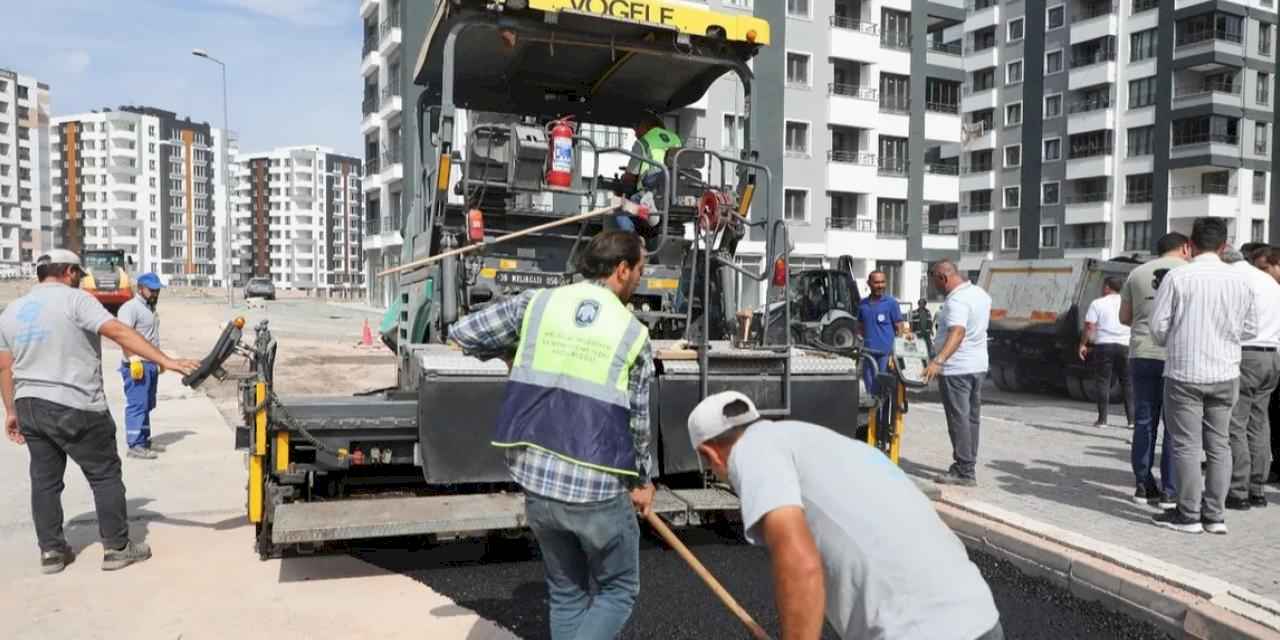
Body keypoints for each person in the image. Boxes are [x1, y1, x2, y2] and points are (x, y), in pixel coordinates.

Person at [450, 231, 654, 640]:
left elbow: (463, 332)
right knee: (618, 591)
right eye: (639, 272)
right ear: (622, 269)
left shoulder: (538, 304)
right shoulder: (632, 334)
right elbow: (638, 423)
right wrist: (644, 482)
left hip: (539, 481)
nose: (639, 281)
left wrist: (511, 352)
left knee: (566, 593)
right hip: (597, 486)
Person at [687, 391, 1003, 640]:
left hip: (915, 629)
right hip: (980, 614)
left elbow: (800, 564)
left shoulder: (752, 451)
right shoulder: (823, 441)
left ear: (709, 454)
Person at [0, 250, 199, 574]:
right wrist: (165, 361)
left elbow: (5, 366)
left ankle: (51, 552)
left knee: (44, 481)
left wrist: (10, 410)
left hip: (30, 405)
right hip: (75, 403)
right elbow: (118, 332)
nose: (80, 277)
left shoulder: (13, 311)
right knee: (104, 474)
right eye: (77, 272)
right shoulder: (76, 300)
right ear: (67, 272)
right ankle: (117, 547)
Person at [1149, 218, 1257, 534]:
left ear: (1191, 245)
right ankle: (1215, 517)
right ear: (1224, 246)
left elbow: (1157, 328)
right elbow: (1250, 328)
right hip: (1225, 372)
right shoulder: (1240, 280)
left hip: (1184, 371)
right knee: (1219, 445)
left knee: (1185, 445)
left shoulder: (1178, 277)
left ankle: (1188, 514)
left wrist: (1179, 337)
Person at [1119, 232, 1189, 508]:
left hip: (1142, 353)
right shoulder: (1189, 272)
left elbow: (1124, 317)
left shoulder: (1136, 273)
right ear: (1185, 247)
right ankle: (1171, 491)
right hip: (1176, 356)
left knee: (1145, 421)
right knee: (1175, 424)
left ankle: (1143, 485)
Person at [923, 259, 992, 487]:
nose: (934, 286)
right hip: (978, 366)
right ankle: (968, 464)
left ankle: (964, 470)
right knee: (971, 418)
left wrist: (938, 361)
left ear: (943, 277)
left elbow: (958, 332)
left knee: (958, 419)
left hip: (957, 369)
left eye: (934, 281)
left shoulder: (957, 301)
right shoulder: (980, 294)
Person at [1226, 243, 1280, 510]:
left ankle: (1238, 491)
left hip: (1247, 356)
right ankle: (1258, 489)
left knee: (1235, 423)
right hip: (1272, 355)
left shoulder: (1235, 279)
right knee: (1259, 423)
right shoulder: (1270, 282)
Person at [117, 272, 166, 459]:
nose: (155, 293)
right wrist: (132, 358)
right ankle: (135, 445)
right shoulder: (130, 308)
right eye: (152, 290)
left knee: (146, 404)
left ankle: (144, 440)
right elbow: (123, 335)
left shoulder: (150, 308)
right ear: (141, 289)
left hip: (150, 363)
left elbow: (152, 337)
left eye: (157, 290)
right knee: (137, 405)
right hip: (137, 364)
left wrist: (159, 360)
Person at [1078, 276, 1133, 429]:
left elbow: (1090, 327)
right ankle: (1131, 421)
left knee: (1103, 382)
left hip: (1104, 346)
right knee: (1128, 383)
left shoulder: (1097, 303)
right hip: (1125, 345)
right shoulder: (1127, 303)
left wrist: (1083, 344)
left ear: (1107, 287)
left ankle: (1102, 420)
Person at [614, 111, 682, 234]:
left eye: (636, 129)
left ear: (645, 125)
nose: (635, 134)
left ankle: (632, 242)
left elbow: (630, 177)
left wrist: (623, 178)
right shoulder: (676, 138)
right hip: (675, 193)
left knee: (620, 208)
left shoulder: (643, 142)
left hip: (651, 194)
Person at [856, 271, 912, 395]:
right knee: (870, 388)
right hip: (868, 354)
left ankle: (884, 413)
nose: (880, 285)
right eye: (876, 282)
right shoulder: (862, 304)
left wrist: (895, 353)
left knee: (884, 390)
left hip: (886, 355)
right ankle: (873, 413)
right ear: (869, 283)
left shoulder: (891, 303)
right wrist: (859, 342)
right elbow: (859, 327)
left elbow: (900, 327)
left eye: (882, 282)